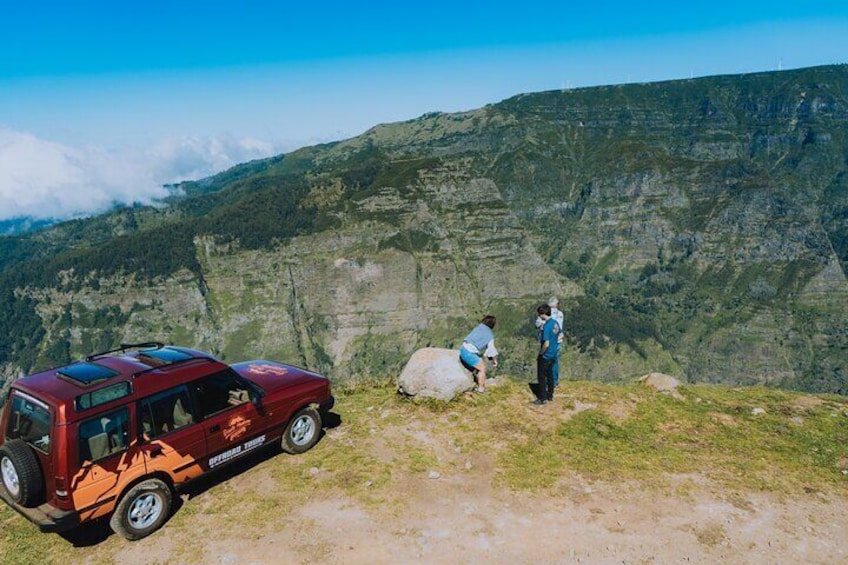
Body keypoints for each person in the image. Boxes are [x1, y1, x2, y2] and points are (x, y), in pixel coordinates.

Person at [459, 315, 498, 393]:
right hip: (469, 353)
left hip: (463, 348)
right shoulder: (490, 336)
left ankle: (477, 383)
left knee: (478, 363)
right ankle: (480, 389)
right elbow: (491, 350)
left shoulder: (479, 326)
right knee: (482, 369)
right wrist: (494, 360)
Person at [534, 304, 560, 405]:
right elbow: (560, 334)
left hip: (546, 355)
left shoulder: (547, 326)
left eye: (540, 314)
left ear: (544, 314)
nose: (539, 316)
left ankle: (542, 398)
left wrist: (541, 353)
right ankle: (550, 395)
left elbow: (546, 343)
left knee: (541, 376)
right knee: (550, 375)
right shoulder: (555, 323)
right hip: (554, 353)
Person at [548, 296, 564, 388]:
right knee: (555, 361)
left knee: (547, 361)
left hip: (549, 340)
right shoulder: (560, 313)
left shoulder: (548, 313)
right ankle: (555, 381)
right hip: (558, 339)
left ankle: (549, 381)